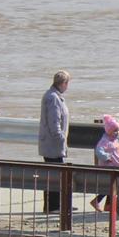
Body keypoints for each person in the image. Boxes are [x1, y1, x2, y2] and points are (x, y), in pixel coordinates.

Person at [39, 70, 70, 214]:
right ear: (63, 83)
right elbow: (54, 122)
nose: (67, 86)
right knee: (55, 176)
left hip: (53, 144)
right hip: (53, 144)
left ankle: (55, 205)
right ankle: (53, 207)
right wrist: (61, 138)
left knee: (54, 175)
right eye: (67, 83)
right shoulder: (53, 98)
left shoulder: (53, 95)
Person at [87, 114, 119, 214]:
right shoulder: (105, 140)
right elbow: (98, 151)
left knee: (113, 186)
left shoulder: (114, 140)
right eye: (115, 131)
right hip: (109, 167)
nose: (117, 133)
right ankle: (97, 201)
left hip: (116, 166)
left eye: (118, 130)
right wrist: (107, 157)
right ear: (109, 131)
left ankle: (108, 205)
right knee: (111, 186)